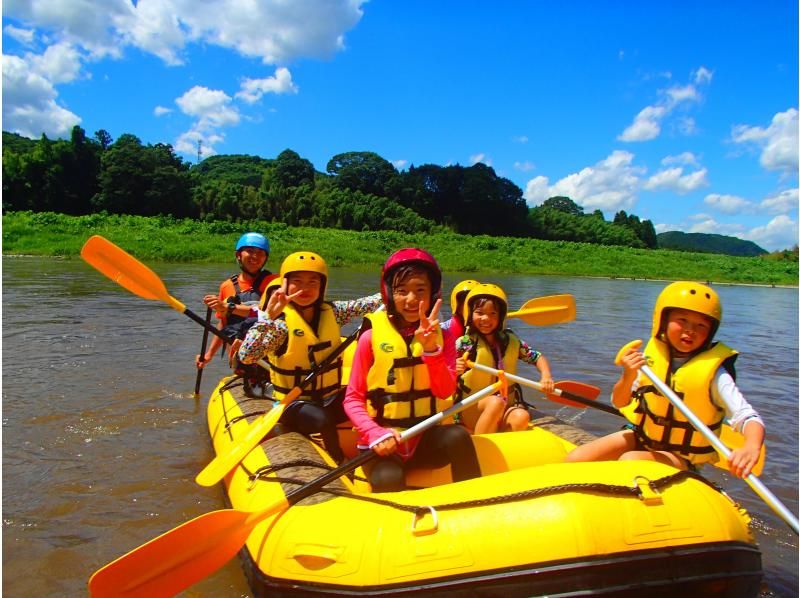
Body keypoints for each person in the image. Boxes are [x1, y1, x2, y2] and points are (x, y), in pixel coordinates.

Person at [565, 281, 765, 478]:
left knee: (630, 460)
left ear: (710, 332)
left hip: (682, 458)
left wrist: (751, 446)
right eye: (682, 320)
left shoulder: (715, 373)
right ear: (662, 320)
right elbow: (619, 402)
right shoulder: (649, 360)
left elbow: (747, 416)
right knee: (576, 458)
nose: (690, 330)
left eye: (701, 325)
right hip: (642, 437)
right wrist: (628, 375)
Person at [343, 248, 481, 492]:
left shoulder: (445, 338)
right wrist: (374, 433)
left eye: (420, 290)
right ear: (389, 293)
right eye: (401, 291)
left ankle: (474, 504)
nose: (411, 299)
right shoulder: (369, 338)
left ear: (432, 295)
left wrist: (431, 352)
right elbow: (353, 398)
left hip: (424, 439)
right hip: (383, 445)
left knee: (459, 436)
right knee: (388, 477)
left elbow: (444, 390)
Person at [239, 251, 382, 462]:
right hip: (292, 404)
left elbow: (366, 304)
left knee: (375, 398)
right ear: (285, 285)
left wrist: (395, 290)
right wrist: (267, 317)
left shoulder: (333, 312)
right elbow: (247, 355)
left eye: (312, 282)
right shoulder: (280, 324)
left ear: (322, 286)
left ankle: (374, 448)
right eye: (297, 282)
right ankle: (339, 463)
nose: (305, 289)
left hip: (329, 397)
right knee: (322, 419)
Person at [454, 283, 554, 434]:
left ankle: (496, 441)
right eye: (479, 312)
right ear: (470, 314)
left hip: (502, 405)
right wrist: (453, 368)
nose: (486, 318)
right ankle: (480, 448)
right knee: (495, 402)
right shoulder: (464, 343)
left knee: (521, 416)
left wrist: (546, 376)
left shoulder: (510, 341)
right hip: (471, 408)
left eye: (493, 313)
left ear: (501, 316)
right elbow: (442, 371)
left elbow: (537, 357)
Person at [195, 232, 277, 376]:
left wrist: (228, 306)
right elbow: (223, 325)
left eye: (260, 253)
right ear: (238, 255)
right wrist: (208, 355)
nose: (255, 257)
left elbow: (269, 313)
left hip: (268, 354)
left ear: (265, 258)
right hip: (240, 355)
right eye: (250, 251)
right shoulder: (227, 286)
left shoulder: (274, 282)